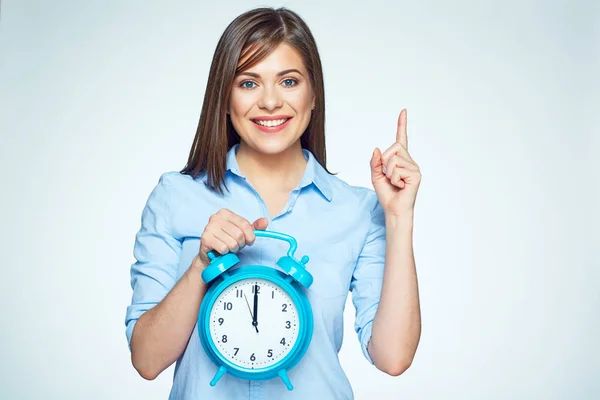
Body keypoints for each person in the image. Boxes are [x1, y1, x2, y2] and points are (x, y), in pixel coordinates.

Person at [125, 6, 421, 400]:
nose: (269, 102)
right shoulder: (175, 197)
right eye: (248, 83)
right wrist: (201, 265)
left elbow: (393, 357)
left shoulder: (357, 211)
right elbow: (146, 361)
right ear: (224, 99)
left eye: (288, 81)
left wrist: (399, 218)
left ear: (314, 95)